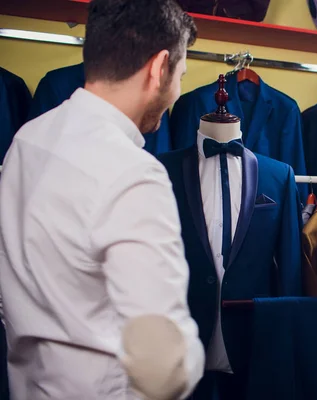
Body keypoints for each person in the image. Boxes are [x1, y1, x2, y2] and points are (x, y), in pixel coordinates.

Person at [0, 1, 205, 399]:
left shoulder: (26, 141)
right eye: (180, 74)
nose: (177, 90)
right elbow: (163, 369)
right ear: (158, 67)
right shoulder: (133, 173)